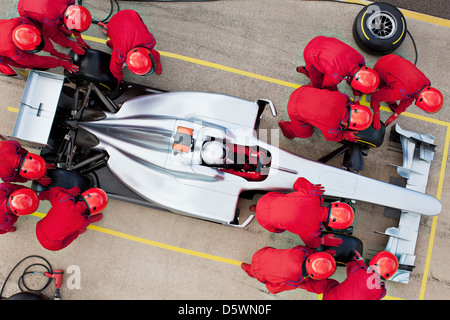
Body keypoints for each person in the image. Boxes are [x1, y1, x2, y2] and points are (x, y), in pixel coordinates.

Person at [252, 177, 353, 248]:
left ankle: (257, 207)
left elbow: (298, 182)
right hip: (264, 221)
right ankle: (257, 210)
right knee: (281, 229)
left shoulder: (314, 195)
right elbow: (312, 244)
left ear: (334, 204)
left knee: (283, 197)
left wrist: (311, 187)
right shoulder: (312, 231)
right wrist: (324, 240)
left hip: (265, 199)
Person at [370, 54, 444, 129]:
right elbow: (375, 97)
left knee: (396, 89)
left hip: (392, 58)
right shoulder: (400, 92)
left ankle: (390, 99)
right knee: (381, 91)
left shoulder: (425, 82)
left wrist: (396, 114)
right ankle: (389, 100)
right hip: (379, 68)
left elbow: (411, 97)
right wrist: (376, 113)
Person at [278, 86, 373, 142]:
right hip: (294, 108)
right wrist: (346, 135)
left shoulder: (344, 97)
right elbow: (330, 137)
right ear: (347, 124)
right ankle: (285, 126)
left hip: (303, 90)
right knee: (306, 133)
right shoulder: (332, 126)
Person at [299, 250, 398, 300]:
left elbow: (350, 266)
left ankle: (301, 282)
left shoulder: (360, 272)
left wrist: (360, 263)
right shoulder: (379, 291)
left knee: (329, 284)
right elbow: (381, 293)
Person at [297, 36, 379, 95]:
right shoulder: (336, 76)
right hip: (311, 53)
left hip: (321, 40)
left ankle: (307, 69)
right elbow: (327, 88)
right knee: (318, 84)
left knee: (325, 68)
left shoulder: (360, 59)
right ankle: (307, 71)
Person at [98, 9, 162, 85]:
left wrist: (118, 80)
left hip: (131, 14)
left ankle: (112, 43)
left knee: (117, 42)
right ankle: (112, 43)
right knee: (116, 42)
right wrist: (118, 80)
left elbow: (152, 53)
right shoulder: (120, 55)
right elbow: (114, 69)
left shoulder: (149, 41)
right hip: (115, 23)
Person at [36, 186, 108, 251]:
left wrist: (68, 192)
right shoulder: (82, 221)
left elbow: (53, 191)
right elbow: (86, 222)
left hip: (39, 229)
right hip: (51, 245)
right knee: (75, 232)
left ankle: (81, 228)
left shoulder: (65, 200)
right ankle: (78, 232)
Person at [0, 17, 79, 76]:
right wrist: (60, 63)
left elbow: (39, 34)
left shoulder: (22, 22)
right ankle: (7, 71)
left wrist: (53, 51)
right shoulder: (15, 53)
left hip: (2, 27)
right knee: (18, 67)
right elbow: (35, 61)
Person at [241, 245, 336, 294]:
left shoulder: (301, 252)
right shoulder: (295, 281)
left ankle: (245, 267)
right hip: (258, 272)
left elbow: (305, 249)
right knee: (255, 272)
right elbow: (272, 289)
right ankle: (246, 268)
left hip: (260, 253)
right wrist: (267, 282)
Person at [17, 1, 91, 55]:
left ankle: (57, 27)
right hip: (25, 7)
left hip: (42, 5)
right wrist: (70, 43)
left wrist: (79, 39)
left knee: (54, 24)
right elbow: (53, 35)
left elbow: (74, 20)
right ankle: (56, 28)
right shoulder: (51, 19)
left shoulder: (70, 1)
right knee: (40, 30)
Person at [201, 140, 269, 181]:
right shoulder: (221, 171)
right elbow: (241, 175)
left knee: (263, 157)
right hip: (244, 170)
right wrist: (257, 174)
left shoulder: (226, 147)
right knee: (259, 177)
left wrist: (258, 154)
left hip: (247, 162)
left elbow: (246, 150)